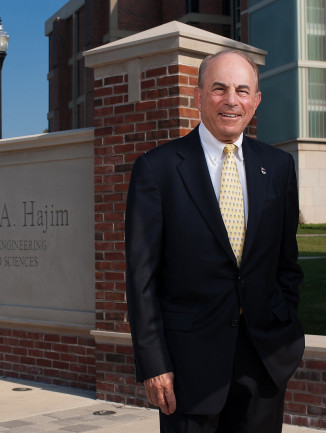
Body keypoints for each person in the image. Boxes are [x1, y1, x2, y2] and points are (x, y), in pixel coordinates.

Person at [125, 50, 305, 433]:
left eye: (242, 90)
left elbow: (287, 264)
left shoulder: (278, 167)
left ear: (256, 101)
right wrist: (154, 363)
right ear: (198, 94)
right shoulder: (158, 169)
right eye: (219, 88)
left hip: (264, 362)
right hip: (188, 369)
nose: (231, 100)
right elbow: (141, 280)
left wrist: (286, 330)